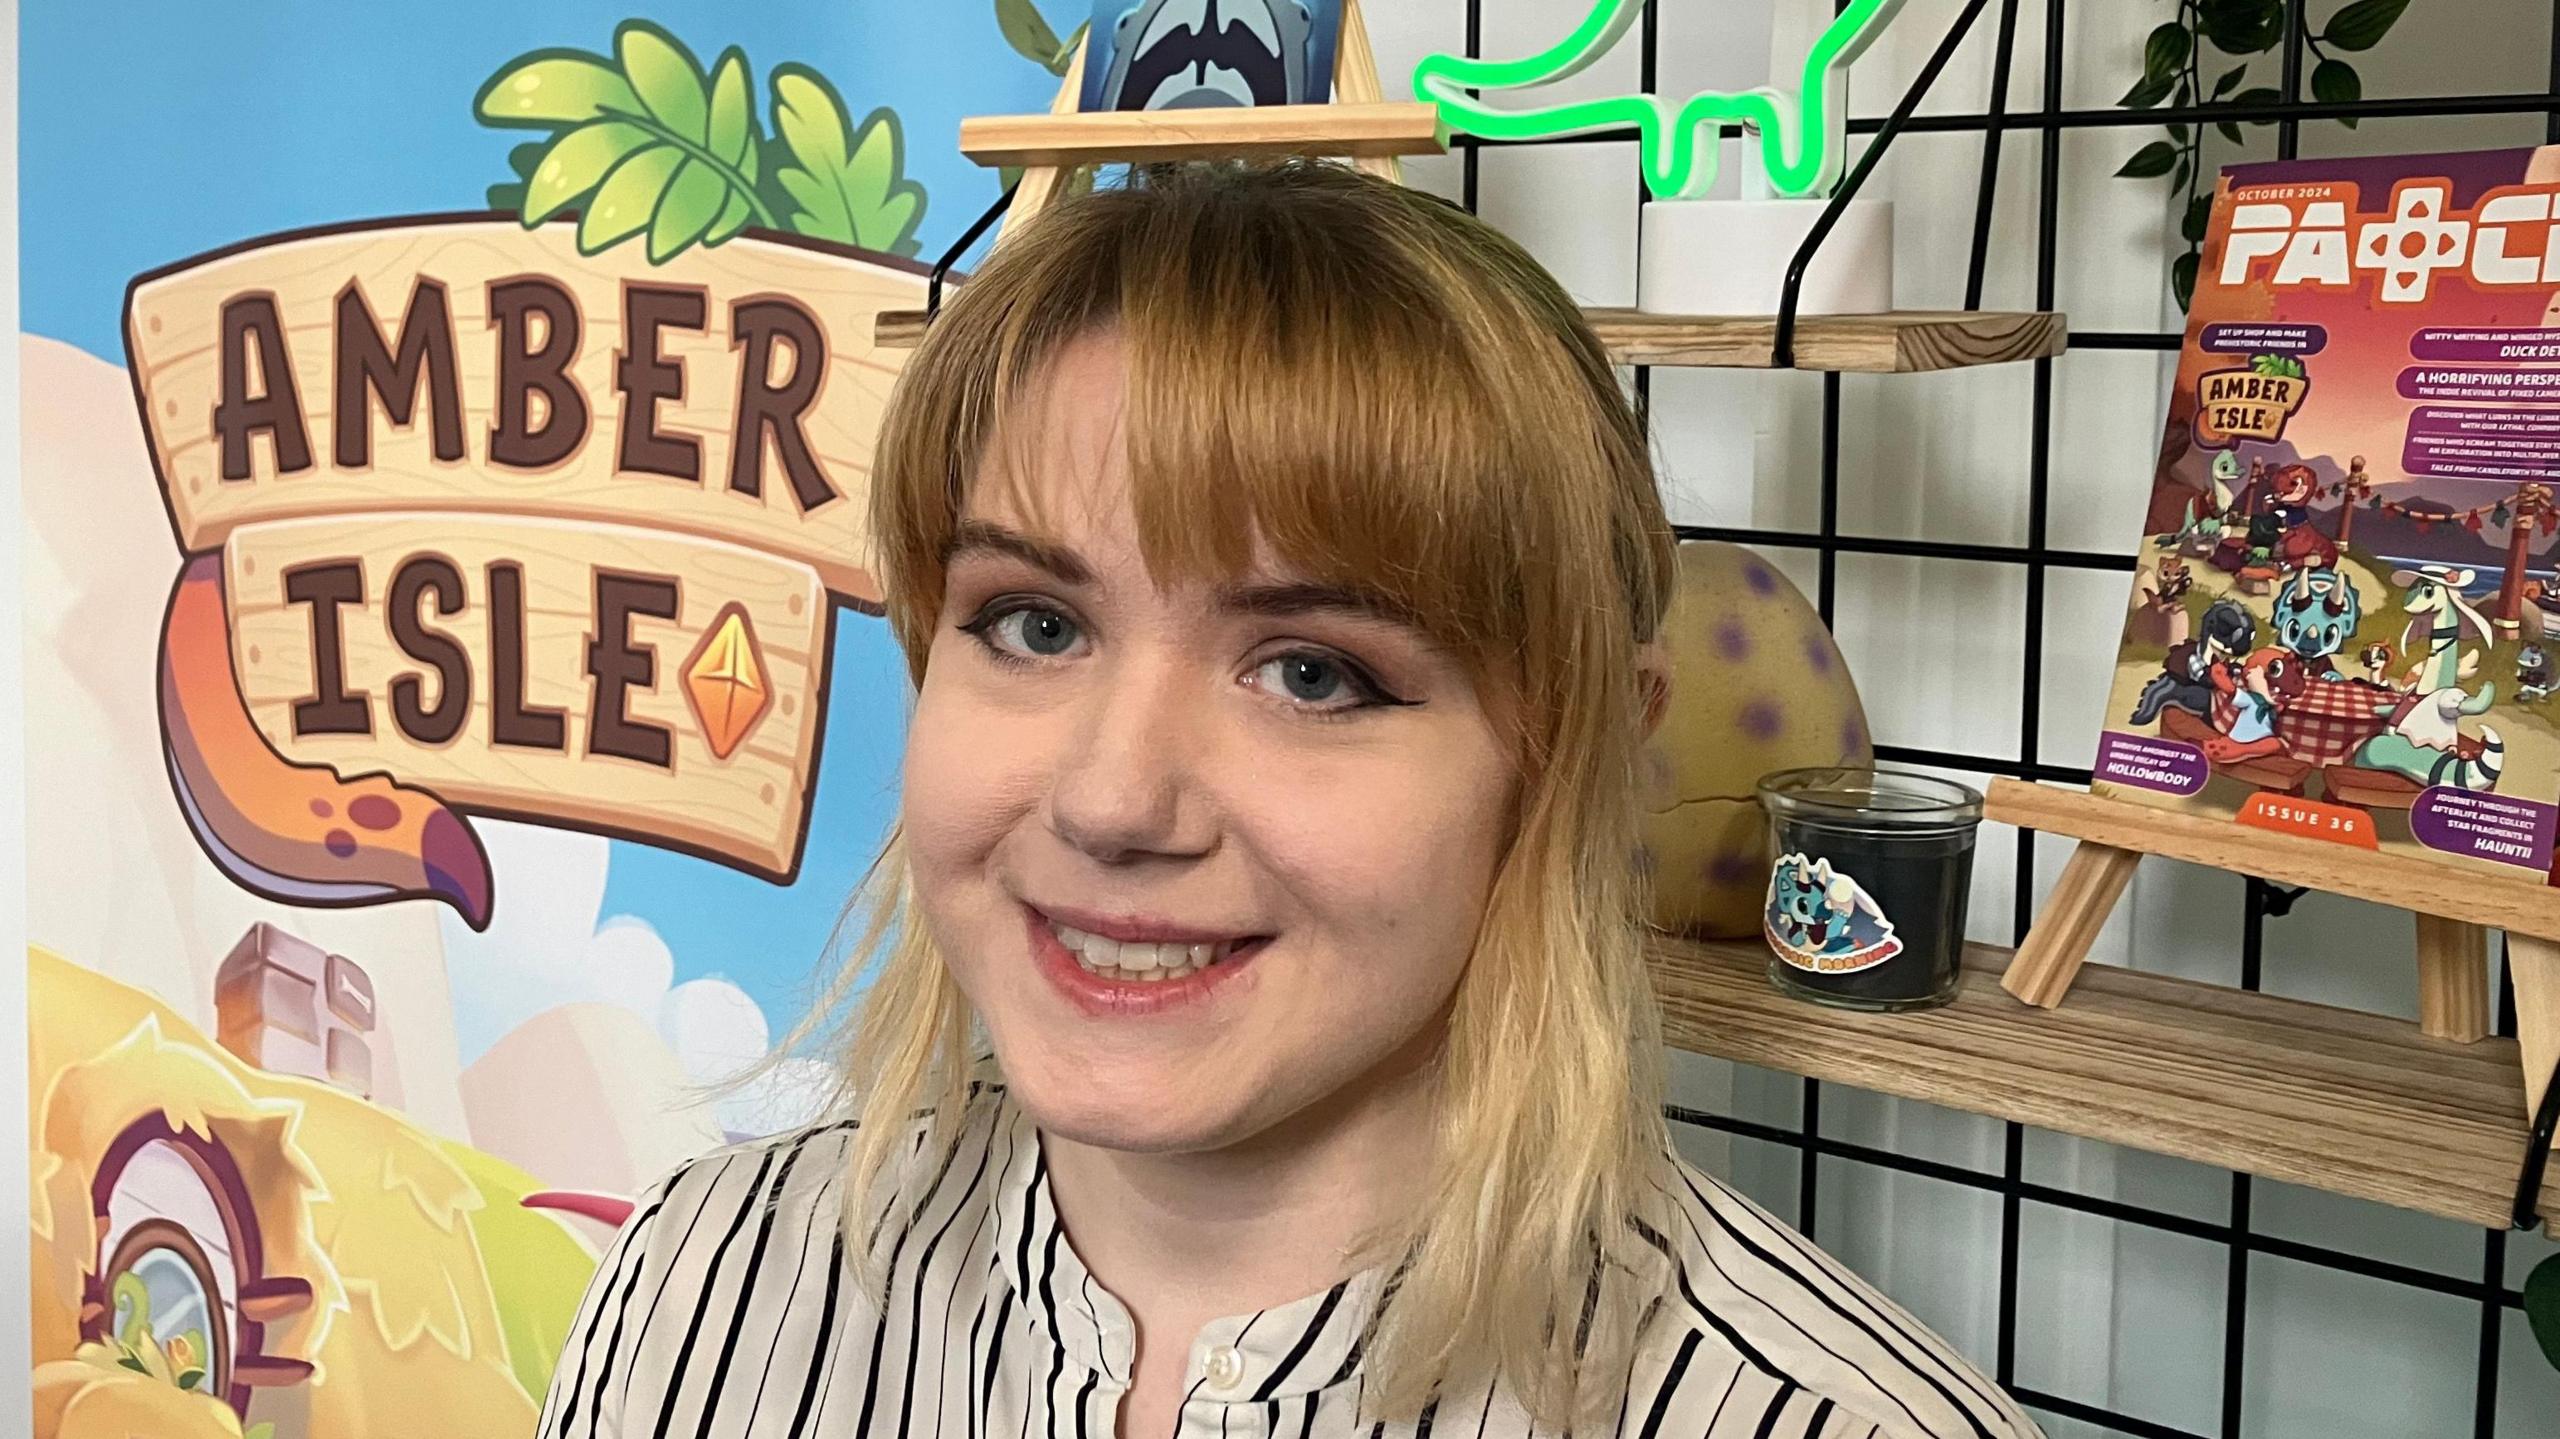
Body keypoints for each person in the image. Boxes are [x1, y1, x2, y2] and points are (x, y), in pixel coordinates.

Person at [536, 161, 2043, 1439]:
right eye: (1035, 625)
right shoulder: (700, 1284)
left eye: (1315, 673)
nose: (1116, 798)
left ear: (1573, 753)